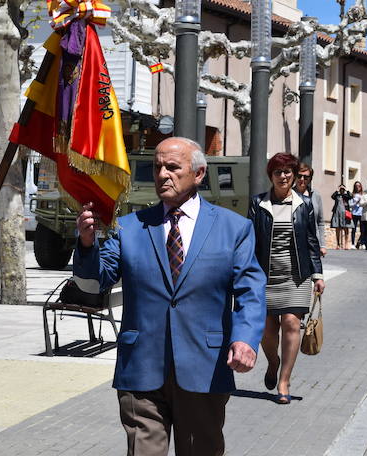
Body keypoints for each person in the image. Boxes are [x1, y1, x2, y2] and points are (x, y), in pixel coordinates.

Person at [74, 137, 266, 456]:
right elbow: (95, 280)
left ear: (199, 174)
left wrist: (245, 339)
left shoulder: (235, 228)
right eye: (158, 167)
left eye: (173, 167)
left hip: (204, 366)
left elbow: (250, 290)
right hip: (142, 368)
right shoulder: (130, 227)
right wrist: (85, 243)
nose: (163, 174)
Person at [248, 153, 324, 406]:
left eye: (287, 172)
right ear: (271, 176)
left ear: (293, 176)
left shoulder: (304, 204)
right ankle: (273, 361)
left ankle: (284, 380)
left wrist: (318, 275)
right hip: (264, 276)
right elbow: (249, 242)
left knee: (292, 323)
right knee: (267, 331)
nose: (283, 176)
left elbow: (311, 241)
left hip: (296, 276)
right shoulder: (258, 204)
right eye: (278, 172)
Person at [295, 164, 327, 256]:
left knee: (314, 270)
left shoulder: (316, 195)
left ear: (310, 179)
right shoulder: (289, 195)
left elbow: (320, 222)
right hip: (295, 242)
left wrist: (322, 245)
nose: (302, 179)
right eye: (299, 176)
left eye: (306, 177)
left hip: (313, 242)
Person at [330, 183, 351, 249]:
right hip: (337, 213)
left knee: (346, 228)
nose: (342, 190)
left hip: (345, 213)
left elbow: (350, 196)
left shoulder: (346, 195)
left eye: (343, 189)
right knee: (337, 228)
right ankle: (338, 244)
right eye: (341, 189)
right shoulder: (337, 195)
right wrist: (337, 190)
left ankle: (346, 244)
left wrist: (346, 190)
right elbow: (332, 196)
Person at [349, 181, 364, 248]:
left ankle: (360, 242)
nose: (358, 187)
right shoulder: (352, 195)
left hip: (361, 213)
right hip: (354, 213)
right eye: (356, 186)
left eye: (359, 186)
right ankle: (352, 244)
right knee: (353, 229)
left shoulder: (363, 195)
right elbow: (350, 205)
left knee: (363, 229)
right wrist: (357, 202)